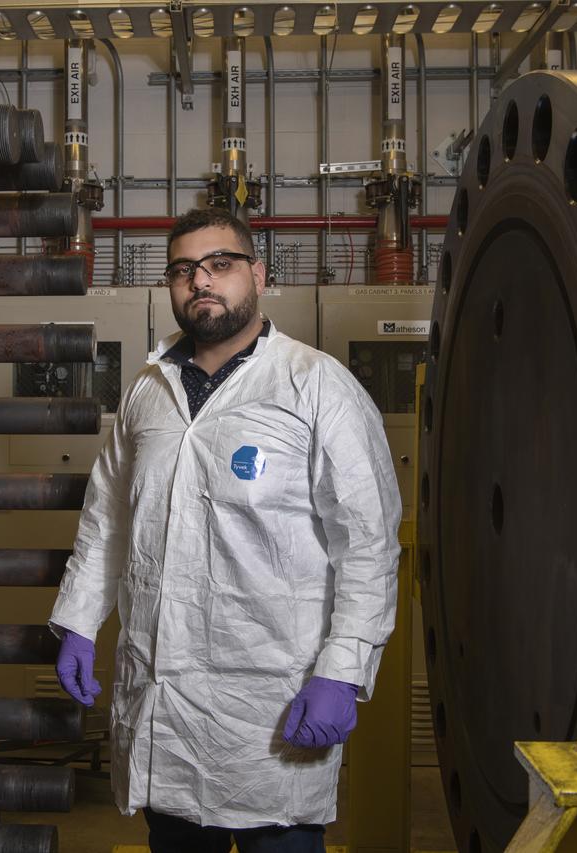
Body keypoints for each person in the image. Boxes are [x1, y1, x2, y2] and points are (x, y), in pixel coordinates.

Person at [49, 207, 401, 853]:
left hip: (272, 695)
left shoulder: (316, 385)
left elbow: (368, 547)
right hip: (166, 695)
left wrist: (342, 670)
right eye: (184, 270)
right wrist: (77, 621)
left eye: (220, 264)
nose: (201, 281)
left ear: (258, 275)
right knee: (176, 837)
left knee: (282, 842)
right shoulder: (147, 391)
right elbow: (108, 521)